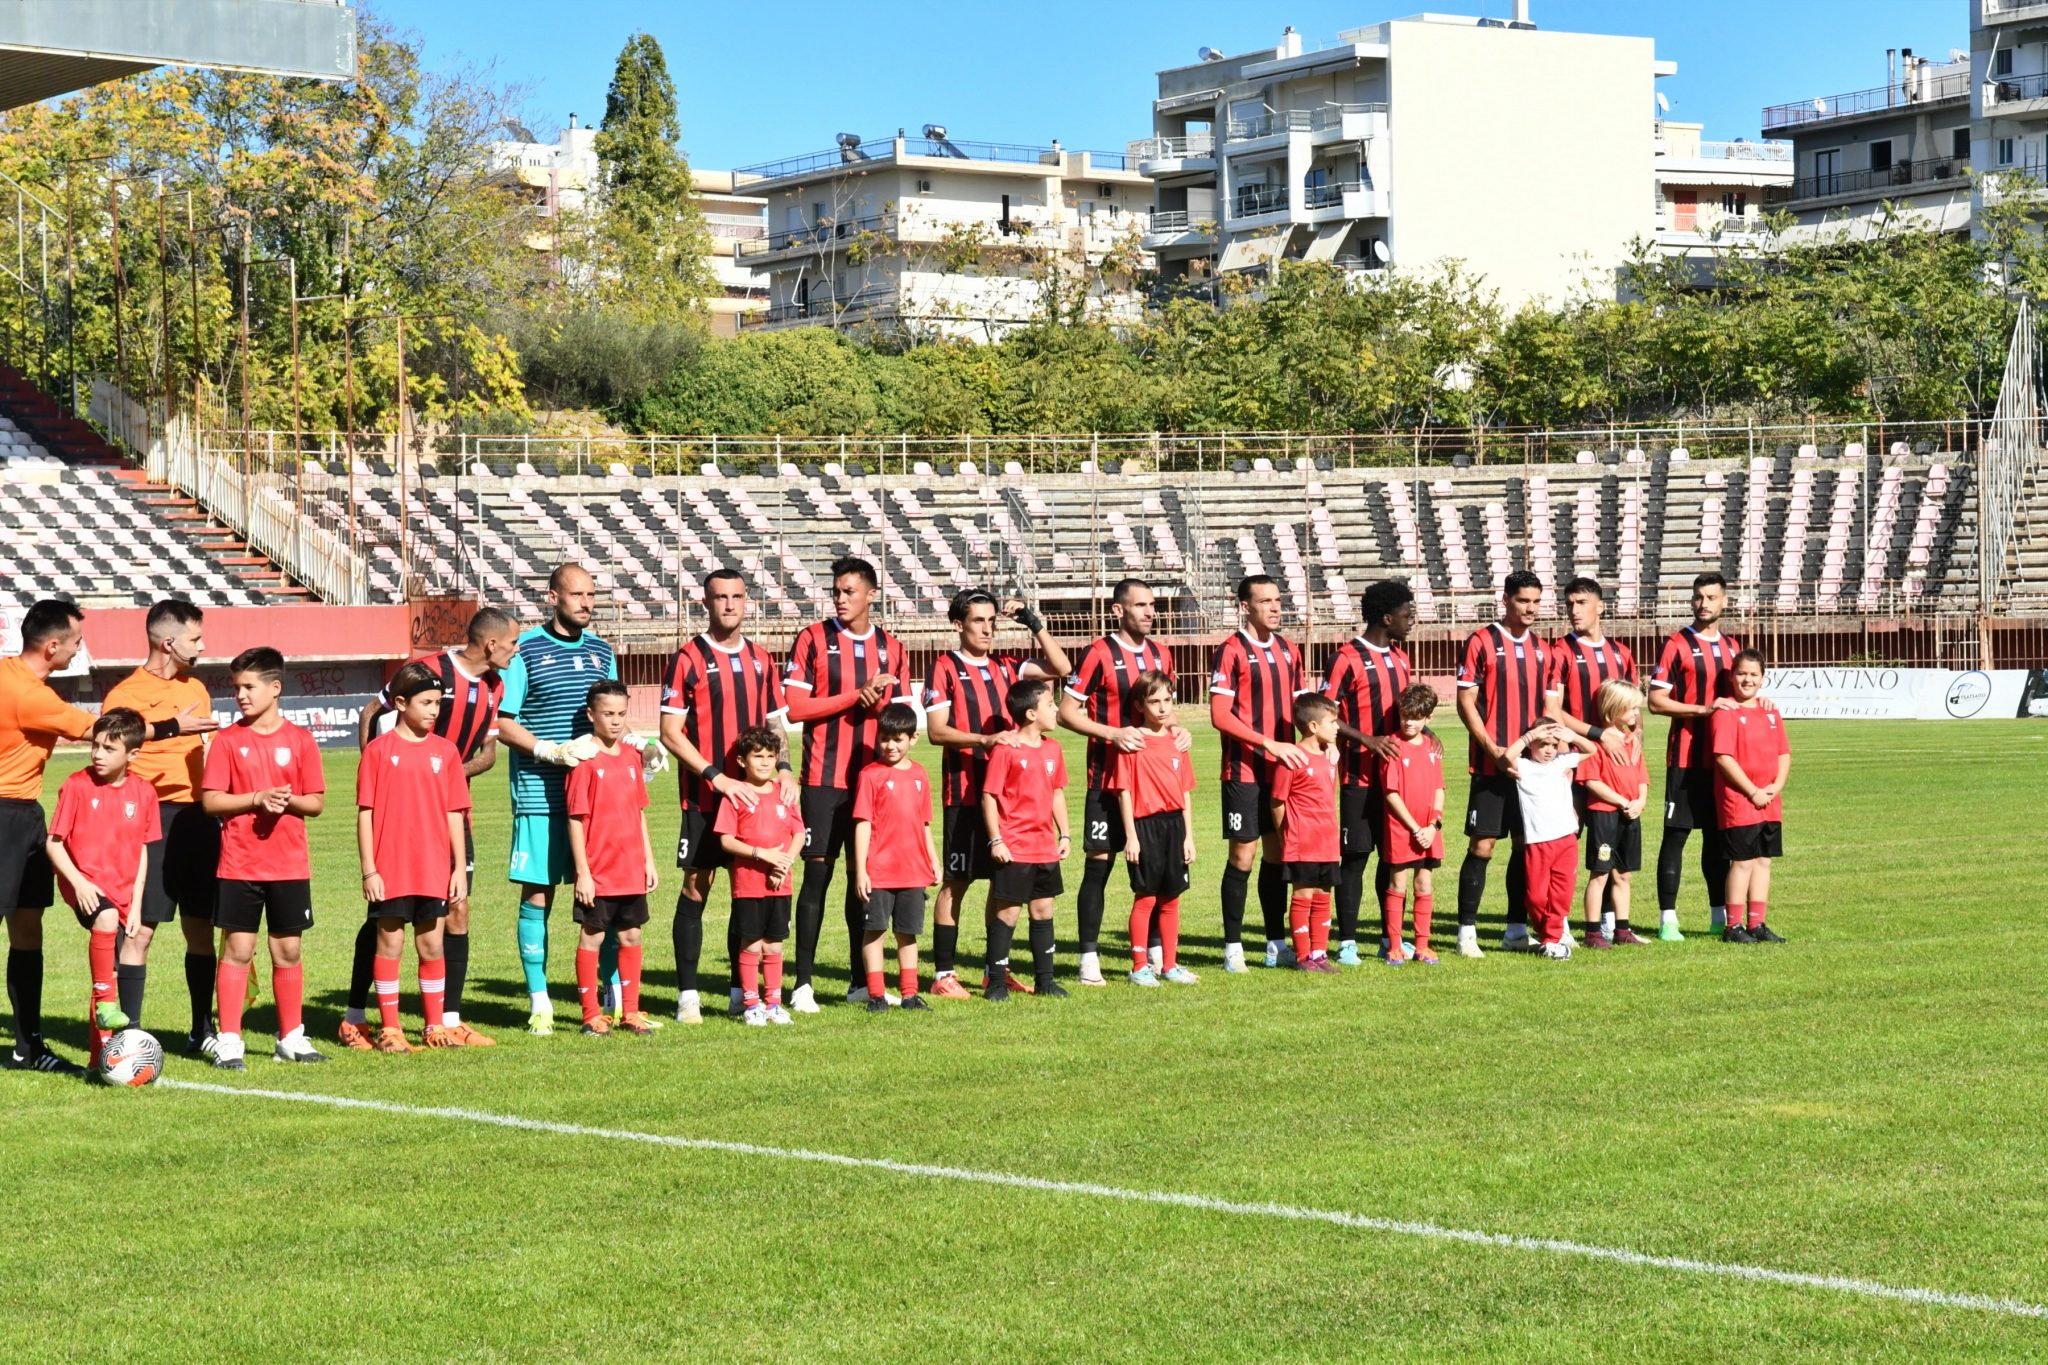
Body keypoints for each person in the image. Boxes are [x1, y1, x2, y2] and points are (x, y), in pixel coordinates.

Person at [342, 605, 516, 1048]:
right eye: (513, 643)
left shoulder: (496, 686)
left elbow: (489, 754)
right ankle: (356, 1016)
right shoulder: (430, 668)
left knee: (455, 912)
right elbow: (369, 712)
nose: (516, 652)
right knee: (387, 920)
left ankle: (445, 1020)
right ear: (491, 643)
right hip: (400, 824)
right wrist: (385, 775)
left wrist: (443, 772)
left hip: (449, 817)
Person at [495, 565, 651, 1036]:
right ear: (552, 597)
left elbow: (612, 713)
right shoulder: (526, 651)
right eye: (576, 594)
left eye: (591, 594)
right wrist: (549, 749)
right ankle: (540, 999)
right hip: (541, 792)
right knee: (539, 894)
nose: (586, 602)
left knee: (607, 899)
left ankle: (613, 996)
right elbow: (503, 722)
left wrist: (636, 745)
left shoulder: (603, 652)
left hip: (597, 797)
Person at [657, 569, 791, 1024]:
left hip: (755, 799)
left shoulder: (760, 658)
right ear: (706, 604)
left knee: (748, 890)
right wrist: (718, 778)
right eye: (720, 597)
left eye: (736, 597)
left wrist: (786, 770)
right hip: (704, 797)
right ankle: (688, 995)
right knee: (698, 885)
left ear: (746, 602)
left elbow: (776, 726)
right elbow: (670, 733)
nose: (729, 605)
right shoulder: (688, 658)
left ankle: (742, 991)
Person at [781, 557, 911, 1009]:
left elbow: (901, 719)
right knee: (816, 877)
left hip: (872, 782)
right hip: (823, 779)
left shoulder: (893, 648)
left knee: (864, 881)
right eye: (836, 591)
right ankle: (802, 985)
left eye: (849, 591)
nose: (840, 598)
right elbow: (795, 709)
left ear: (871, 594)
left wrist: (876, 706)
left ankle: (861, 982)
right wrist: (856, 695)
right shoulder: (813, 638)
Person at [925, 587, 1068, 994]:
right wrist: (984, 741)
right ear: (958, 625)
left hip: (1010, 800)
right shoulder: (945, 667)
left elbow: (1061, 667)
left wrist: (1032, 622)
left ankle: (995, 971)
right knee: (957, 881)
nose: (987, 629)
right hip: (965, 791)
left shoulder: (1008, 666)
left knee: (999, 886)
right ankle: (943, 975)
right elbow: (936, 731)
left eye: (992, 621)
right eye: (978, 621)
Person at [100, 598, 222, 1052]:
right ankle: (126, 1034)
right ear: (168, 642)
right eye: (195, 638)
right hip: (149, 820)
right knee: (141, 928)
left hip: (198, 818)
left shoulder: (197, 688)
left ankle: (200, 1029)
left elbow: (206, 751)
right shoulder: (125, 695)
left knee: (200, 927)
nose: (203, 646)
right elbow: (110, 749)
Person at [200, 647, 328, 1069]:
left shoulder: (301, 740)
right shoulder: (227, 741)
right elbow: (211, 801)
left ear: (275, 688)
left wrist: (285, 802)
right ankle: (230, 1038)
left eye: (249, 686)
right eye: (236, 687)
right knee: (238, 949)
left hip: (289, 865)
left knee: (287, 950)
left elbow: (316, 803)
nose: (240, 694)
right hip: (239, 864)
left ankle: (291, 1037)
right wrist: (256, 798)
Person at [1057, 578, 1184, 978]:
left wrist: (1179, 729)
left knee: (1154, 870)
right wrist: (1112, 734)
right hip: (1104, 777)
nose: (1150, 612)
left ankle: (1157, 958)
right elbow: (1066, 713)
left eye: (1153, 604)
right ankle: (1089, 958)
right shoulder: (1098, 653)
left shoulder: (1162, 653)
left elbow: (1166, 709)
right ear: (1118, 610)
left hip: (1149, 786)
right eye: (1141, 605)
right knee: (1099, 863)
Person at [355, 662, 472, 1052]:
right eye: (426, 702)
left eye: (438, 703)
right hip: (391, 867)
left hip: (433, 867)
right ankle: (390, 1029)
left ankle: (433, 1025)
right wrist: (369, 869)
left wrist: (458, 868)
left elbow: (455, 811)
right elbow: (366, 812)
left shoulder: (447, 752)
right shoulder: (377, 751)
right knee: (390, 945)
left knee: (432, 946)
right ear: (401, 703)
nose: (434, 710)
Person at [1, 599, 94, 1073]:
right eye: (76, 641)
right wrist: (172, 727)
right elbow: (98, 732)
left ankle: (27, 1045)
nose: (80, 649)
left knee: (27, 929)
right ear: (53, 645)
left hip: (24, 814)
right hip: (5, 816)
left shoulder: (8, 673)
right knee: (22, 931)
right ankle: (28, 1045)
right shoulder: (33, 696)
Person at [44, 708, 157, 1072]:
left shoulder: (144, 792)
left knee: (109, 970)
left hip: (125, 893)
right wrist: (79, 883)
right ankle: (109, 1006)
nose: (97, 754)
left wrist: (137, 904)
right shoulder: (77, 785)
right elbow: (54, 843)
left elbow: (142, 850)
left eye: (109, 748)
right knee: (105, 920)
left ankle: (99, 1060)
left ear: (132, 755)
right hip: (87, 887)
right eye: (95, 745)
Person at [1209, 574, 1309, 973]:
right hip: (1244, 771)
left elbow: (1304, 708)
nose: (1275, 607)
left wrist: (1322, 741)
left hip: (1283, 771)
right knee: (1243, 855)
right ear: (1245, 607)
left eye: (1278, 600)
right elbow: (1219, 715)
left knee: (1278, 854)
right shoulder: (1231, 650)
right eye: (1265, 600)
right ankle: (1233, 948)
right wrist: (1267, 743)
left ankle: (1275, 943)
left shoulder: (1289, 649)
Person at [1453, 570, 1552, 958]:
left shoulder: (1544, 648)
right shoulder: (1482, 641)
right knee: (1483, 845)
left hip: (1530, 767)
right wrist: (1494, 749)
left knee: (1525, 846)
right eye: (1523, 600)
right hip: (1491, 764)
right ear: (1506, 599)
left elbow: (1549, 708)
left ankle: (1515, 929)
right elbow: (1465, 702)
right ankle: (1466, 932)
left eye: (1536, 602)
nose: (1530, 608)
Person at [1322, 579, 1415, 964]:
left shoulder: (1400, 659)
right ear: (1386, 617)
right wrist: (1367, 740)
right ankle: (1346, 942)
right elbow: (1322, 712)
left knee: (1393, 859)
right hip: (1356, 777)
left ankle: (1387, 937)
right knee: (1356, 858)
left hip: (1394, 778)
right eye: (1407, 616)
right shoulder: (1347, 657)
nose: (1412, 622)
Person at [1543, 578, 1638, 950]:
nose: (1574, 609)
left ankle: (1615, 925)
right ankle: (1560, 923)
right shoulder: (1560, 652)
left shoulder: (1621, 653)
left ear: (1601, 606)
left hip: (1615, 760)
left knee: (1615, 841)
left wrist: (1634, 745)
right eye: (1569, 603)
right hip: (1575, 757)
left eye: (1582, 602)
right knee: (1567, 840)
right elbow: (1552, 710)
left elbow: (1633, 706)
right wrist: (1597, 736)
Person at [1649, 573, 1742, 941]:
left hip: (1722, 760)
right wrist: (1704, 710)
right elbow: (1655, 702)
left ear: (1724, 602)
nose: (1704, 603)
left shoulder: (1733, 648)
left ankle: (1718, 917)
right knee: (1676, 836)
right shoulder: (1677, 644)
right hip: (1686, 758)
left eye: (1711, 597)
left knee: (1718, 840)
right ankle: (1667, 918)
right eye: (1698, 597)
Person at [565, 681, 659, 1036]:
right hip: (599, 871)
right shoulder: (583, 760)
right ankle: (591, 1015)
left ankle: (630, 1013)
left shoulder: (634, 757)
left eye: (621, 714)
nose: (616, 721)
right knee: (593, 937)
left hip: (630, 867)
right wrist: (583, 873)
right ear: (591, 714)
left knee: (632, 936)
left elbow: (638, 813)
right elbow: (576, 819)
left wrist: (648, 861)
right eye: (608, 714)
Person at [980, 680, 1070, 1001]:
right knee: (1008, 914)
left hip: (1045, 847)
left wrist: (1066, 833)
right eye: (1050, 704)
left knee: (1043, 911)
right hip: (1015, 847)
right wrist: (996, 840)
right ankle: (996, 984)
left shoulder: (1053, 749)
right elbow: (989, 797)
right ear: (1031, 713)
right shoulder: (1007, 750)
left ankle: (1046, 981)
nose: (1057, 708)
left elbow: (1057, 793)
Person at [1108, 670, 1197, 987]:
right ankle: (1139, 966)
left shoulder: (1178, 742)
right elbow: (1124, 791)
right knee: (1146, 897)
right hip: (1145, 827)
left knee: (1171, 898)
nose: (1162, 707)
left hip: (1174, 826)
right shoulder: (1132, 742)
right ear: (1140, 705)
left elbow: (1184, 790)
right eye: (1154, 701)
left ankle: (1169, 965)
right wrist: (1131, 836)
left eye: (1167, 700)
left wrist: (1189, 835)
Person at [715, 724, 807, 1026]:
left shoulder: (784, 793)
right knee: (751, 944)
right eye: (758, 756)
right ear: (742, 761)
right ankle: (751, 1004)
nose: (766, 762)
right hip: (749, 884)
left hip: (781, 884)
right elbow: (726, 841)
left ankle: (774, 1004)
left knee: (775, 945)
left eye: (771, 756)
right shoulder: (737, 796)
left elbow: (798, 833)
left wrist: (785, 863)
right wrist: (761, 854)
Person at [850, 704, 935, 1013]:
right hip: (880, 871)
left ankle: (910, 994)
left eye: (898, 739)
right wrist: (861, 870)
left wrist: (933, 861)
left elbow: (924, 824)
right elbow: (862, 823)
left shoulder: (920, 775)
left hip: (912, 871)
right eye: (885, 738)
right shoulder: (870, 775)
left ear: (913, 738)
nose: (890, 746)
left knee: (907, 933)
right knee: (875, 932)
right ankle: (876, 995)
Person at [1710, 651, 1790, 946]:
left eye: (1754, 674)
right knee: (1742, 861)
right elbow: (1723, 757)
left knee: (1763, 861)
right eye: (1742, 673)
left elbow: (1784, 753)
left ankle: (1757, 923)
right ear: (1732, 676)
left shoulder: (1770, 712)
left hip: (1769, 800)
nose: (1747, 679)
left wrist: (1775, 787)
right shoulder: (1726, 712)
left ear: (1763, 678)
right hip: (1740, 801)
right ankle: (1733, 926)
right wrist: (1752, 790)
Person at [1501, 722, 1595, 961]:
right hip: (1538, 842)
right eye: (1543, 745)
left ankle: (1552, 940)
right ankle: (1549, 934)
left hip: (1565, 839)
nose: (1549, 750)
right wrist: (1531, 735)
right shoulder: (1522, 766)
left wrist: (1570, 735)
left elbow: (1591, 749)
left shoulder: (1560, 762)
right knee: (1535, 897)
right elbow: (1507, 755)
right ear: (1531, 744)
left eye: (1553, 745)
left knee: (1561, 893)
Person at [1270, 694, 1343, 974]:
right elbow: (1277, 801)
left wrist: (1333, 747)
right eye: (1332, 722)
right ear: (1313, 726)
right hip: (1302, 842)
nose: (1337, 727)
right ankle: (1303, 956)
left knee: (1324, 894)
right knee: (1304, 894)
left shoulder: (1329, 756)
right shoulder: (1292, 759)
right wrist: (1284, 834)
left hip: (1327, 842)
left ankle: (1320, 953)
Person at [1377, 684, 1446, 967]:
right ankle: (1394, 947)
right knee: (1398, 882)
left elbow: (1439, 788)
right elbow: (1391, 793)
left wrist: (1433, 825)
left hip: (1429, 830)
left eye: (1416, 717)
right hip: (1401, 828)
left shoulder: (1431, 746)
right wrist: (1415, 827)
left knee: (1424, 883)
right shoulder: (1392, 745)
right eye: (1405, 715)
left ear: (1428, 719)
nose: (1409, 722)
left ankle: (1422, 945)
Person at [1578, 681, 1650, 948]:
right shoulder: (1597, 745)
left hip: (1630, 815)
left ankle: (1622, 929)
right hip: (1604, 816)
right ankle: (1593, 933)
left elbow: (1642, 777)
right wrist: (1622, 801)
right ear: (1613, 709)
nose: (1635, 714)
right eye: (1631, 708)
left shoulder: (1633, 741)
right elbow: (1591, 782)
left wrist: (1640, 801)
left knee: (1623, 874)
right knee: (1600, 873)